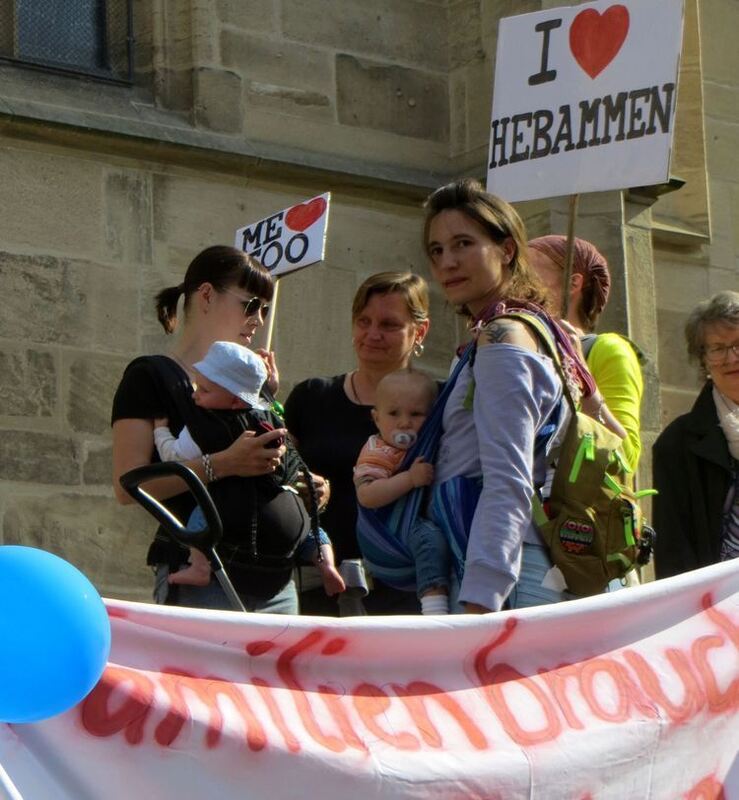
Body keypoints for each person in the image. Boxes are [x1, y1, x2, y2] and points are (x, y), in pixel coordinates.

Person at [422, 178, 609, 614]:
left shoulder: (503, 337)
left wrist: (480, 603)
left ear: (506, 251)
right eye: (436, 250)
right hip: (514, 565)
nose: (447, 262)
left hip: (504, 578)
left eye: (463, 243)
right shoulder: (543, 331)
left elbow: (508, 480)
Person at [111, 245, 328, 614]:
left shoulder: (251, 384)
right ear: (207, 295)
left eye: (264, 309)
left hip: (277, 580)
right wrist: (222, 464)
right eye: (250, 305)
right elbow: (128, 486)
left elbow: (277, 460)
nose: (259, 320)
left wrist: (307, 483)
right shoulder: (150, 376)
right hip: (209, 577)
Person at [284, 272, 430, 616]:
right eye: (363, 321)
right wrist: (298, 486)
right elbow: (277, 475)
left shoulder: (439, 403)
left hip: (408, 596)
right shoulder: (311, 397)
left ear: (419, 331)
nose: (372, 334)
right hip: (318, 593)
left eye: (389, 324)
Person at [153, 339, 345, 597]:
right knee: (315, 533)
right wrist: (269, 393)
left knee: (200, 516)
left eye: (205, 390)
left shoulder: (204, 426)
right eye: (198, 386)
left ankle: (199, 565)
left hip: (235, 514)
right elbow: (275, 412)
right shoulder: (268, 417)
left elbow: (173, 455)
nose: (195, 394)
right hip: (289, 525)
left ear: (235, 401)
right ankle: (327, 564)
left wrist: (160, 430)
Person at [528, 235, 642, 470]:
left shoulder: (608, 349)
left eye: (529, 272)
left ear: (573, 283)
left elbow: (626, 458)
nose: (516, 282)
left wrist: (583, 380)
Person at [652, 290, 739, 577]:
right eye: (717, 348)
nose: (731, 357)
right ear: (704, 360)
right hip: (717, 606)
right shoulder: (676, 444)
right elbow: (673, 551)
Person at [354, 368, 449, 614]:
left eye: (416, 414)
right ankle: (434, 604)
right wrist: (409, 478)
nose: (404, 422)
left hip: (411, 520)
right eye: (394, 413)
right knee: (429, 538)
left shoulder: (425, 445)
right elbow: (367, 495)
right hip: (389, 531)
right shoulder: (379, 450)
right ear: (376, 419)